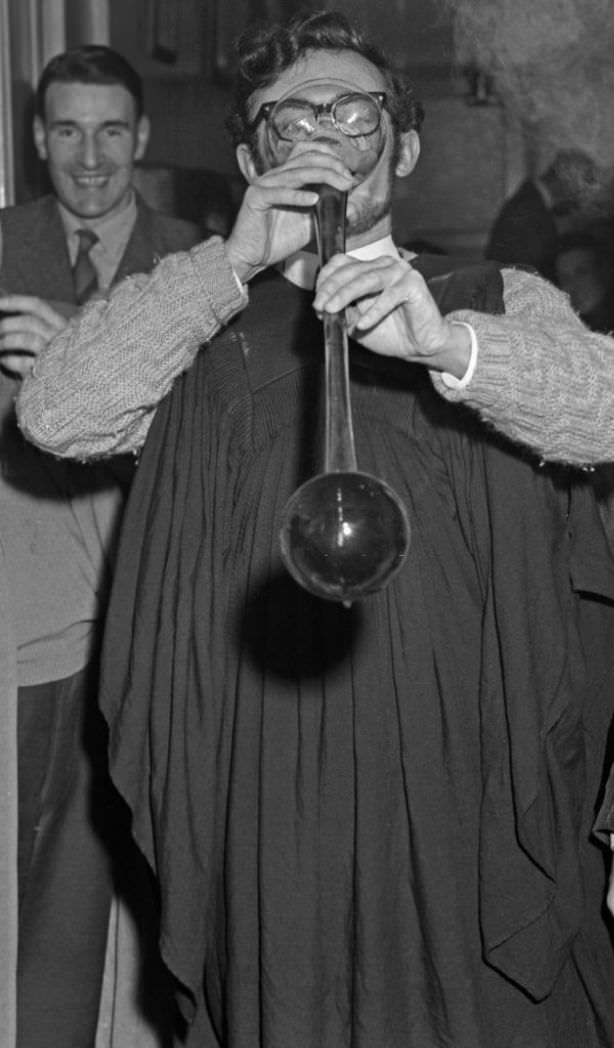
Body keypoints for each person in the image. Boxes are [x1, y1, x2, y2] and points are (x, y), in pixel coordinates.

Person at [14, 11, 614, 1047]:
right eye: (286, 117)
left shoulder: (488, 297)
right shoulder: (202, 329)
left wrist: (449, 347)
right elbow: (59, 413)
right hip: (270, 792)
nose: (321, 132)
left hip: (472, 783)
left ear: (403, 144)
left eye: (353, 111)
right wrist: (233, 259)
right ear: (248, 154)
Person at [0, 44, 204, 1047]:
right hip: (26, 611)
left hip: (154, 604)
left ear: (143, 138)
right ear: (39, 142)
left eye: (112, 131)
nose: (91, 158)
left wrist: (82, 345)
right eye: (68, 131)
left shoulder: (199, 263)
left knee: (144, 865)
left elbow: (223, 440)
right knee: (29, 867)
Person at [485, 148, 598, 278]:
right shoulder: (528, 208)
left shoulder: (533, 201)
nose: (581, 196)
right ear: (567, 178)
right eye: (582, 185)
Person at [551, 230, 614, 341]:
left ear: (603, 272)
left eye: (581, 272)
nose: (572, 285)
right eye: (565, 278)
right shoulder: (566, 333)